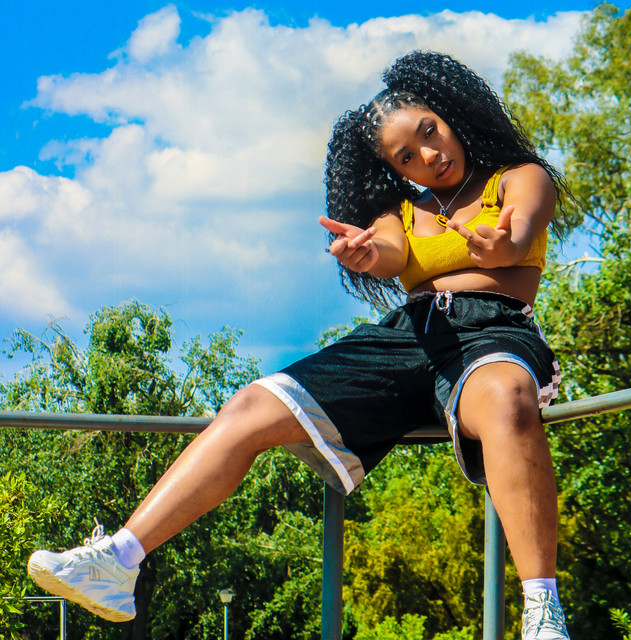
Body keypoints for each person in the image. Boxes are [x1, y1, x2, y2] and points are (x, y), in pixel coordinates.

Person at [28, 50, 571, 639]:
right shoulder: (402, 210)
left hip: (492, 330)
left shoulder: (515, 176)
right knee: (250, 406)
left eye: (428, 131)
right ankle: (118, 560)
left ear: (449, 114)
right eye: (406, 157)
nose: (429, 155)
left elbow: (519, 233)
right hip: (406, 338)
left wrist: (498, 246)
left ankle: (542, 613)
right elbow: (390, 253)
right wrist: (365, 253)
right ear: (393, 169)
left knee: (506, 397)